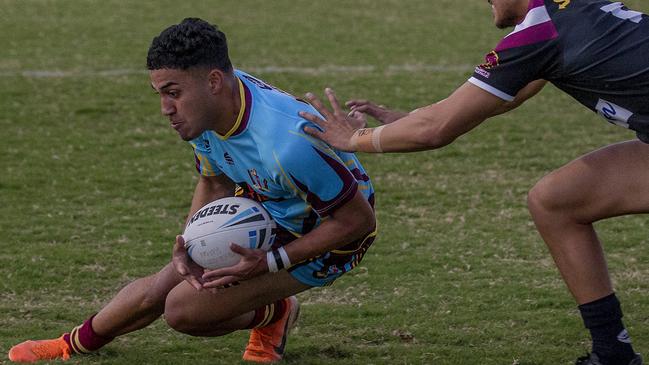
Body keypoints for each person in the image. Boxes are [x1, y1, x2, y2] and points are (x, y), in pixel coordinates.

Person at [8, 18, 377, 364]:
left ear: (214, 81)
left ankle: (276, 311)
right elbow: (214, 182)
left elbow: (357, 222)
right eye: (159, 93)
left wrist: (268, 264)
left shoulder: (288, 143)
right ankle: (71, 344)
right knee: (162, 287)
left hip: (328, 233)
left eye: (173, 93)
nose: (165, 109)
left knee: (184, 311)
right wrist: (190, 243)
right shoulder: (205, 112)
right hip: (269, 201)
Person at [298, 1, 649, 364]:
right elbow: (505, 95)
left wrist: (353, 139)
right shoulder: (566, 13)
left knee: (558, 202)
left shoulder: (537, 33)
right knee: (556, 202)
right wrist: (406, 121)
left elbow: (436, 130)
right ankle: (613, 352)